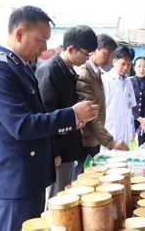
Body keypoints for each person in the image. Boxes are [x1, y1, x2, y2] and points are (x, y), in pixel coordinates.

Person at [0, 6, 98, 231]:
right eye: (41, 40)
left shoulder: (20, 66)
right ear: (20, 34)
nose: (45, 48)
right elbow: (22, 125)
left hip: (29, 175)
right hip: (15, 180)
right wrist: (71, 115)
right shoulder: (2, 69)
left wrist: (72, 120)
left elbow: (38, 115)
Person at [35, 25, 98, 198]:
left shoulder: (69, 69)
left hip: (69, 144)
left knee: (66, 191)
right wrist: (54, 152)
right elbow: (46, 115)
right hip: (58, 150)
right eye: (85, 54)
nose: (86, 60)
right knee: (58, 197)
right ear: (71, 49)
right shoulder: (49, 71)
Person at [75, 34, 128, 175]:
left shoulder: (97, 73)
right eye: (106, 54)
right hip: (87, 140)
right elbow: (89, 116)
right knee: (84, 179)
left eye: (111, 55)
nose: (109, 59)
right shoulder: (85, 74)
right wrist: (111, 142)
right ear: (94, 50)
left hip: (95, 139)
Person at [102, 46, 136, 150]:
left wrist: (132, 131)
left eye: (129, 64)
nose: (126, 67)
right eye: (123, 64)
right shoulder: (105, 81)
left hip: (126, 135)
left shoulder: (128, 82)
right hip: (110, 134)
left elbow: (130, 108)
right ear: (114, 62)